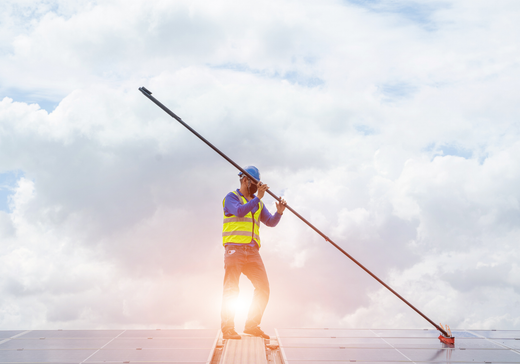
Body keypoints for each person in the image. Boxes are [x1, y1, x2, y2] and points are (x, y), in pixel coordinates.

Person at [221, 166, 286, 340]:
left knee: (263, 288)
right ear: (245, 180)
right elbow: (240, 212)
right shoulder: (231, 198)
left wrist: (279, 213)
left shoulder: (258, 203)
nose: (257, 187)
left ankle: (251, 325)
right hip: (234, 249)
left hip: (252, 252)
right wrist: (257, 197)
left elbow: (270, 222)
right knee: (231, 289)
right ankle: (228, 329)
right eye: (255, 183)